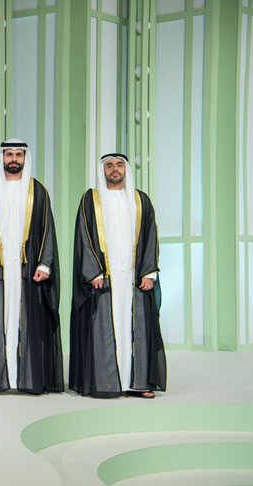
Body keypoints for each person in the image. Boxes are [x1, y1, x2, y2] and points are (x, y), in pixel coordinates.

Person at [69, 153, 166, 398]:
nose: (115, 169)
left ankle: (139, 383)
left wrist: (149, 272)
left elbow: (151, 236)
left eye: (119, 165)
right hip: (105, 277)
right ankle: (106, 383)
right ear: (103, 170)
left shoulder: (140, 200)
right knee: (104, 325)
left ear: (126, 170)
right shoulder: (91, 200)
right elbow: (84, 236)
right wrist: (94, 271)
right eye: (110, 165)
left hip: (134, 277)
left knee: (137, 328)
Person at [0, 139, 63, 394]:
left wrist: (45, 264)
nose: (13, 159)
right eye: (9, 154)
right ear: (1, 158)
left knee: (28, 320)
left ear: (25, 158)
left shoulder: (38, 191)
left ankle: (28, 379)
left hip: (28, 269)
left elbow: (47, 229)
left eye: (18, 155)